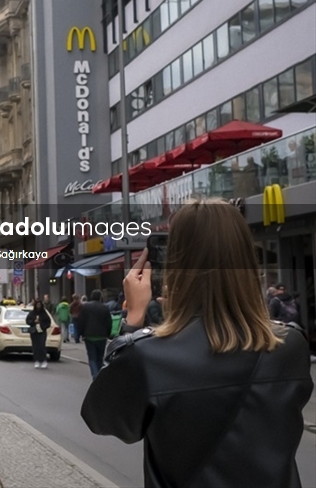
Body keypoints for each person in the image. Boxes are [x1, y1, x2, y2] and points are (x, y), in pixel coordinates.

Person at [82, 199, 313, 488]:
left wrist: (135, 317)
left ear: (177, 266)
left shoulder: (149, 356)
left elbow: (102, 419)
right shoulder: (291, 345)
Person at [76, 290, 112, 379]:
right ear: (100, 297)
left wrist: (80, 333)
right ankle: (99, 375)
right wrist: (108, 333)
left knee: (92, 357)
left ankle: (95, 375)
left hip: (89, 336)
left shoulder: (85, 307)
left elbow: (81, 321)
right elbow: (109, 322)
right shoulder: (105, 307)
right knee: (100, 357)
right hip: (102, 336)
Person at [26, 299, 52, 369]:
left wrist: (43, 326)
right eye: (37, 305)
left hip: (42, 332)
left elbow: (48, 323)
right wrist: (33, 321)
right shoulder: (32, 313)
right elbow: (28, 321)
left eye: (39, 305)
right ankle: (36, 360)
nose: (38, 306)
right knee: (35, 347)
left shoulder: (44, 314)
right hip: (34, 332)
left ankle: (43, 360)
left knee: (42, 346)